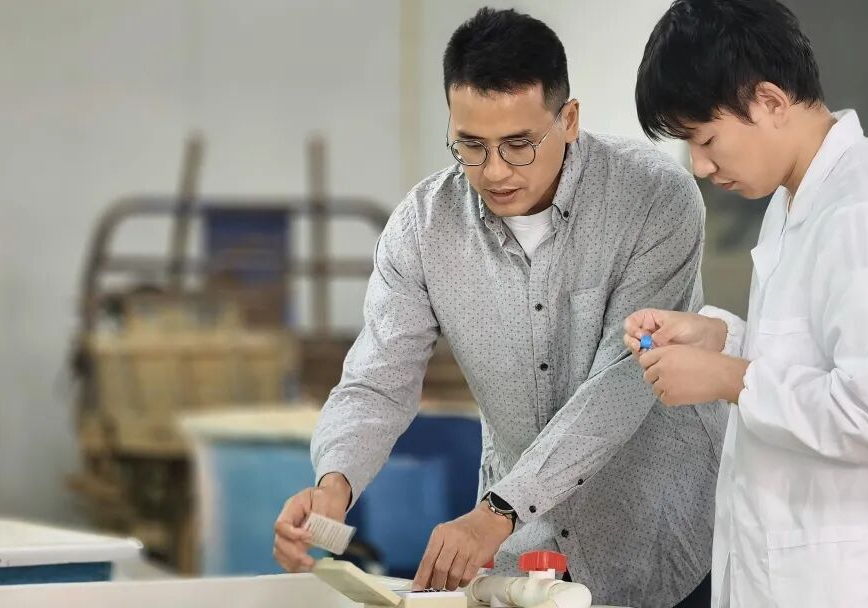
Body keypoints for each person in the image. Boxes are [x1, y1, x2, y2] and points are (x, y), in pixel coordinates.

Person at [273, 7, 725, 607]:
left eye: (518, 145)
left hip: (664, 537)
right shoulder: (423, 228)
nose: (494, 171)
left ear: (569, 119)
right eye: (471, 145)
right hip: (524, 553)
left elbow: (622, 385)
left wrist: (499, 510)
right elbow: (378, 379)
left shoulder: (653, 198)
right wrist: (334, 485)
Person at [625, 1, 868, 606]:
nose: (701, 166)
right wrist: (723, 341)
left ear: (769, 101)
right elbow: (819, 360)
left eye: (705, 139)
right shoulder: (797, 202)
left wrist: (730, 378)